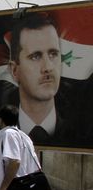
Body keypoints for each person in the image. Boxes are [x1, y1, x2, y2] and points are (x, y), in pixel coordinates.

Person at [8, 13, 67, 145]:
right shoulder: (1, 132)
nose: (48, 67)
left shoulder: (79, 132)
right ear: (14, 70)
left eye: (53, 54)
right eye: (35, 56)